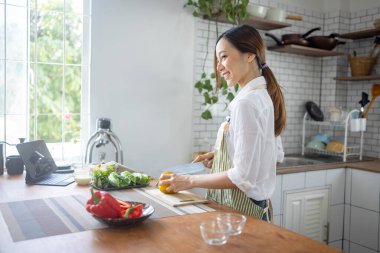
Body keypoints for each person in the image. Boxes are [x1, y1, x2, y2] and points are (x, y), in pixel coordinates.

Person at [159, 25, 286, 222]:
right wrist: (223, 156)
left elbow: (243, 176)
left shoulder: (247, 103)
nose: (218, 67)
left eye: (224, 57)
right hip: (256, 209)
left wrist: (188, 180)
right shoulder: (262, 97)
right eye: (218, 60)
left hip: (241, 213)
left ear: (250, 55)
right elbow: (272, 155)